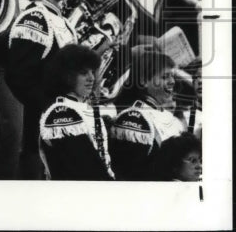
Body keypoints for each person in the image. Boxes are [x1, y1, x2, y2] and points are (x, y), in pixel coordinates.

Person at [5, 0, 81, 179]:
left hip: (65, 123)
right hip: (42, 129)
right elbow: (18, 78)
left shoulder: (61, 20)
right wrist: (52, 109)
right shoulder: (35, 18)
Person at [36, 45, 114, 180]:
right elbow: (83, 168)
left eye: (92, 71)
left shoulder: (78, 106)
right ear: (67, 76)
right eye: (84, 73)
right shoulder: (61, 112)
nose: (91, 78)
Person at [109, 47, 188, 180]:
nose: (172, 82)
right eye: (164, 77)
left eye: (172, 76)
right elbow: (132, 175)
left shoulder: (168, 117)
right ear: (144, 81)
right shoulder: (135, 118)